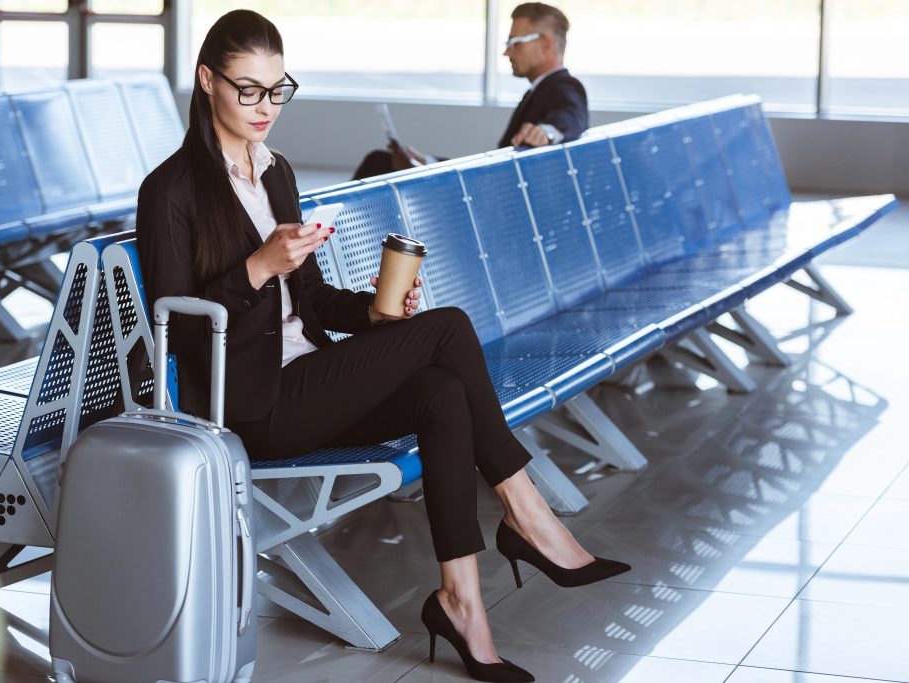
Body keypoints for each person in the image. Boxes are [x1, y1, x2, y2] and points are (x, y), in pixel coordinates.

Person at [136, 10, 627, 682]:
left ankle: (462, 601)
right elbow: (177, 328)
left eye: (279, 89)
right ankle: (527, 511)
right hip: (248, 406)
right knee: (450, 329)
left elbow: (307, 301)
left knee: (442, 392)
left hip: (306, 376)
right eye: (248, 89)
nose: (266, 106)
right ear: (206, 81)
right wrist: (256, 267)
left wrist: (372, 312)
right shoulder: (171, 189)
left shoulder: (274, 172)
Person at [352, 2, 589, 181]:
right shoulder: (537, 92)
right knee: (382, 162)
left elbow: (570, 114)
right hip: (493, 188)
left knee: (377, 164)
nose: (507, 53)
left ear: (546, 43)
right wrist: (428, 163)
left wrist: (546, 132)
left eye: (515, 42)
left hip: (499, 203)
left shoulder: (564, 87)